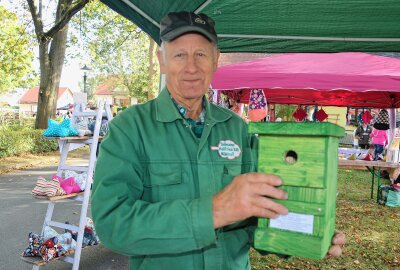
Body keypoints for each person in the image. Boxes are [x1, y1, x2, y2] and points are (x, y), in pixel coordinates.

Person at [91, 11, 345, 270]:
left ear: (215, 60)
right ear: (162, 61)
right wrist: (214, 211)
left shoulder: (237, 128)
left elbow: (260, 212)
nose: (191, 66)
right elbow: (113, 223)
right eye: (179, 55)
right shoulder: (130, 128)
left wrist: (305, 233)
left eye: (201, 54)